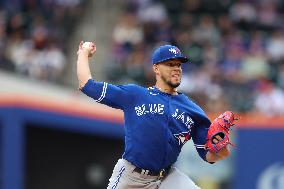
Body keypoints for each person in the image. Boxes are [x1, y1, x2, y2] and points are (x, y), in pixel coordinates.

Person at [76, 41, 231, 189]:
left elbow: (209, 156)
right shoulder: (135, 95)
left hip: (167, 177)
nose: (176, 68)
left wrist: (222, 149)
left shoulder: (193, 110)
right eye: (170, 64)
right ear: (156, 68)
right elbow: (87, 85)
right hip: (132, 177)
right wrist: (83, 54)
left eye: (178, 64)